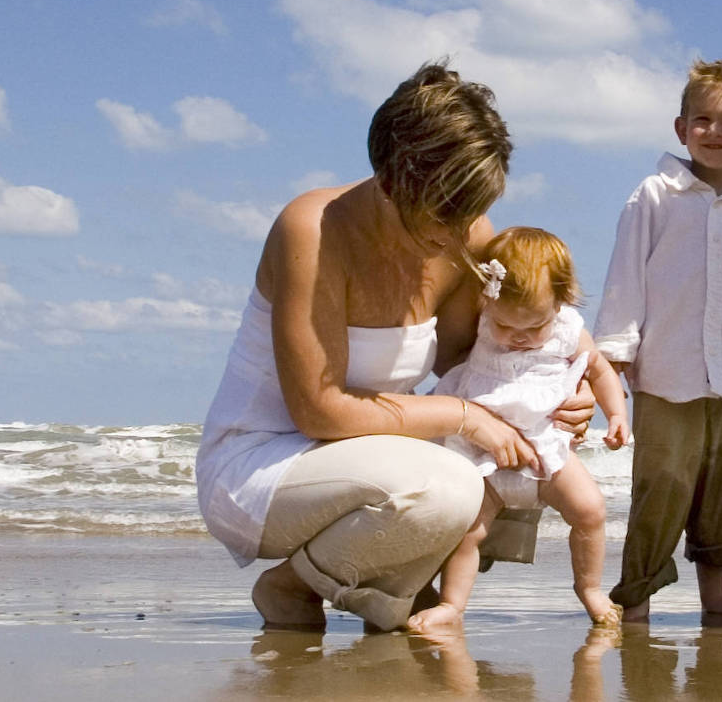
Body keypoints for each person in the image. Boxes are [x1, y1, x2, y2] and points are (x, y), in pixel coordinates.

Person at [194, 62, 589, 632]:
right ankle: (290, 585)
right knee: (448, 485)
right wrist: (465, 416)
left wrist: (561, 398)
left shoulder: (467, 229)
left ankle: (388, 596)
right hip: (263, 465)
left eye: (470, 212)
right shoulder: (314, 228)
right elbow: (318, 410)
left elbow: (477, 367)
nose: (460, 237)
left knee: (509, 465)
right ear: (390, 181)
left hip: (373, 462)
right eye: (444, 215)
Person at [594, 58, 722, 623]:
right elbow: (625, 279)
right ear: (681, 129)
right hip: (667, 374)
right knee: (663, 485)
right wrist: (611, 361)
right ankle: (636, 598)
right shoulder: (654, 197)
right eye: (702, 119)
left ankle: (715, 597)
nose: (716, 131)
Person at [407, 227, 631, 633]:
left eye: (533, 328)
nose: (519, 339)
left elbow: (599, 369)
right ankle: (452, 605)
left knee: (591, 511)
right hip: (481, 455)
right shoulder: (480, 318)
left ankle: (591, 589)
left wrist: (617, 414)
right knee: (468, 532)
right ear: (486, 300)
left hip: (546, 449)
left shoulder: (568, 330)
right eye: (506, 327)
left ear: (561, 302)